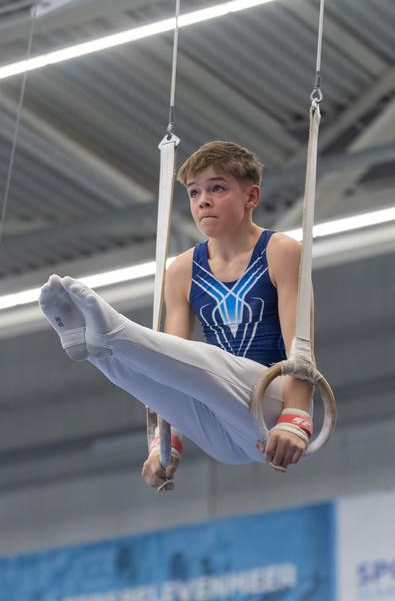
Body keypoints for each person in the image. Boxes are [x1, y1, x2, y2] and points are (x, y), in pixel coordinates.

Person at [39, 141, 314, 491]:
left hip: (272, 405)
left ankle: (114, 332)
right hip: (220, 431)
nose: (203, 200)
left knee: (210, 360)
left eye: (217, 188)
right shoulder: (183, 270)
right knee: (155, 371)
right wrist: (164, 445)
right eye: (194, 192)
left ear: (251, 197)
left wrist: (297, 419)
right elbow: (171, 365)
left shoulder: (281, 251)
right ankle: (97, 349)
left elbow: (301, 348)